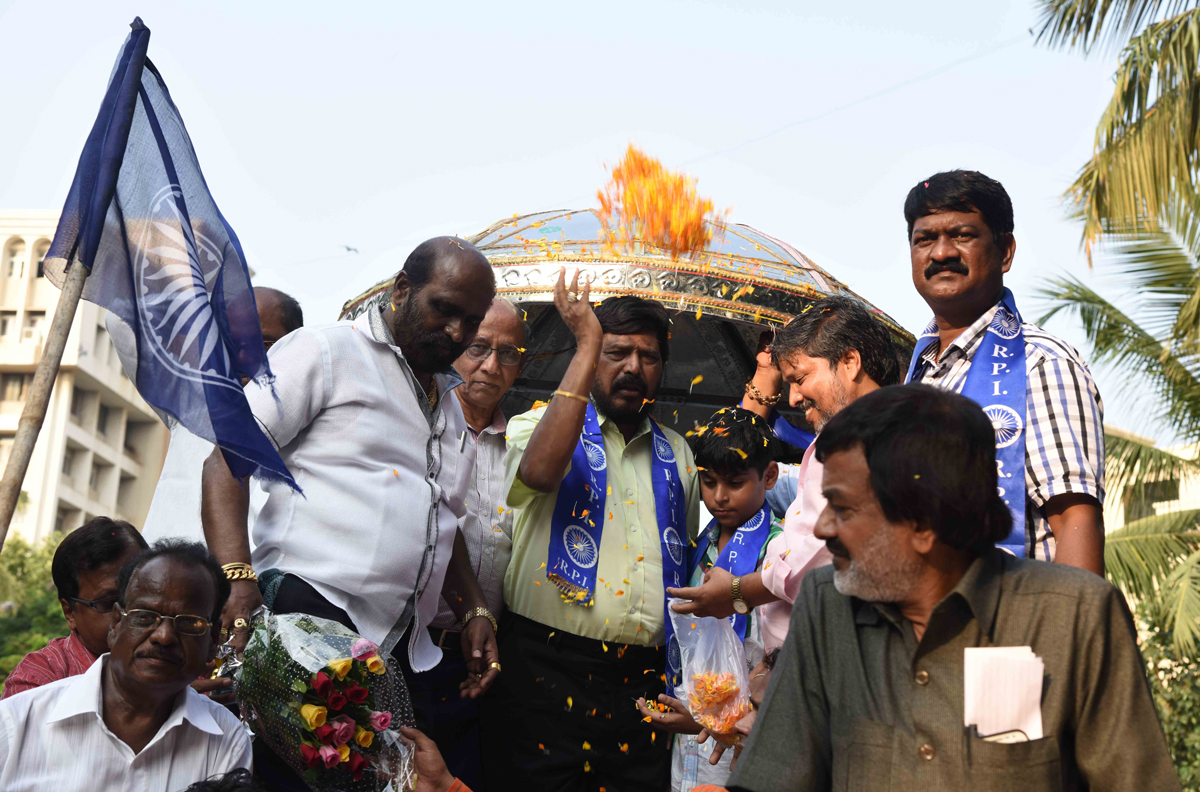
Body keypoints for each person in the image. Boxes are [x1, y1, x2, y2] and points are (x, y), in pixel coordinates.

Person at [726, 385, 1179, 792]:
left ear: (923, 524)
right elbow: (775, 778)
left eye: (841, 508)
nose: (822, 528)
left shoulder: (1074, 616)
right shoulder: (827, 604)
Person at [201, 237, 501, 790]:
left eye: (472, 320)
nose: (458, 333)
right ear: (402, 289)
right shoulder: (325, 350)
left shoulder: (450, 407)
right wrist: (236, 577)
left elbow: (442, 521)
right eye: (444, 310)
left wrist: (475, 608)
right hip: (306, 615)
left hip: (399, 647)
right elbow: (225, 461)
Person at [479, 271, 701, 792]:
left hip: (644, 679)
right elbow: (538, 474)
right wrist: (585, 345)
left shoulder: (679, 452)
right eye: (616, 352)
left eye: (648, 357)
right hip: (544, 669)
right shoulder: (538, 424)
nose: (633, 368)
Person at [670, 295, 900, 653]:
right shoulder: (837, 441)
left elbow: (820, 559)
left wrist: (736, 592)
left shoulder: (885, 438)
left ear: (850, 362)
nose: (793, 398)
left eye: (801, 378)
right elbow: (739, 457)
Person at [903, 170, 1105, 573]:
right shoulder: (916, 375)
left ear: (1006, 252)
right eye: (924, 239)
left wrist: (1069, 635)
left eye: (962, 235)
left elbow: (1074, 520)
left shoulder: (1040, 363)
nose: (941, 252)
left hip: (1014, 625)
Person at [0, 540, 252, 790]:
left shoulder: (225, 740)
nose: (163, 636)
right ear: (116, 623)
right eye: (144, 617)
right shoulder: (15, 726)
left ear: (213, 638)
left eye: (189, 622)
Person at [636, 407, 783, 792]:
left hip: (745, 728)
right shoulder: (700, 538)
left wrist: (711, 717)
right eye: (708, 481)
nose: (719, 497)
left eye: (735, 482)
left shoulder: (780, 550)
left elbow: (781, 655)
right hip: (690, 721)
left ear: (769, 476)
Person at [415, 297, 527, 789]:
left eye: (508, 354)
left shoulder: (527, 445)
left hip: (488, 662)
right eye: (479, 348)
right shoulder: (418, 429)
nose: (489, 367)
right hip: (412, 652)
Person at [138, 287, 304, 545]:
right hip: (160, 577)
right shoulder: (190, 403)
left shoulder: (309, 428)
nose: (242, 356)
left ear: (294, 348)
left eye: (262, 344)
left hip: (247, 581)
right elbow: (124, 322)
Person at [2, 517, 148, 699]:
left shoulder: (181, 661)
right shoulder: (37, 684)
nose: (132, 612)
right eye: (109, 603)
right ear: (69, 612)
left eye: (141, 596)